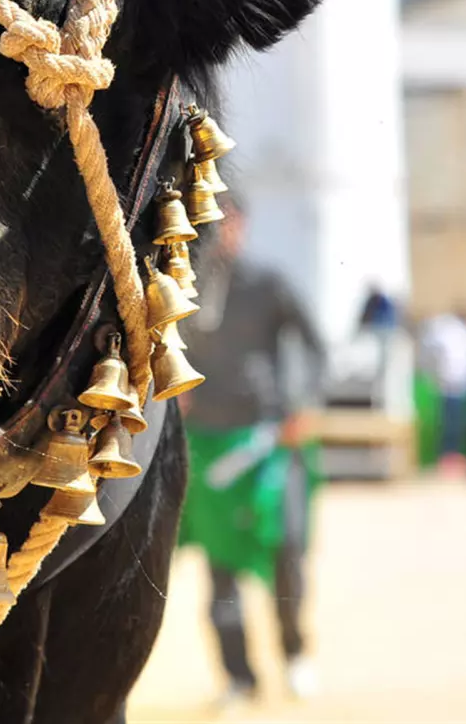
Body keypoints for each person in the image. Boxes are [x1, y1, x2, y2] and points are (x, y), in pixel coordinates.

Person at [177, 193, 326, 709]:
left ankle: (295, 653)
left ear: (241, 223)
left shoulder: (268, 282)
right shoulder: (182, 287)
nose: (220, 230)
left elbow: (314, 345)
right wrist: (173, 390)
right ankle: (238, 676)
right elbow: (157, 348)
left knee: (285, 550)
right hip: (208, 444)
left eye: (227, 220)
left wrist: (302, 403)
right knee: (219, 566)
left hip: (269, 440)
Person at [418, 309, 466, 476]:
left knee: (457, 424)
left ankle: (452, 457)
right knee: (451, 424)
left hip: (458, 384)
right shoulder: (454, 333)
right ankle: (447, 458)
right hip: (451, 384)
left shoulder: (461, 334)